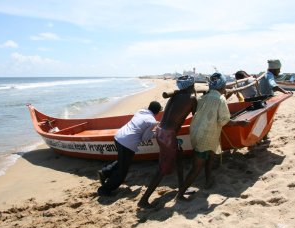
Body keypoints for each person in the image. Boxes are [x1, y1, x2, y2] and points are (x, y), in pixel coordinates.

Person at [138, 75, 198, 208]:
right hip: (168, 135)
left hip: (160, 131)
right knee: (162, 170)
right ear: (191, 86)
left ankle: (182, 188)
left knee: (179, 156)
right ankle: (143, 200)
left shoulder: (174, 96)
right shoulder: (192, 98)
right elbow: (196, 115)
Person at [176, 72, 231, 200]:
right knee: (197, 166)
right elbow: (223, 120)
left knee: (210, 156)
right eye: (225, 87)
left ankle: (208, 180)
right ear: (222, 87)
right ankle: (180, 194)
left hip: (196, 132)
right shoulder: (220, 99)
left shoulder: (203, 98)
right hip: (206, 135)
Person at [97, 101, 162, 196]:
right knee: (122, 170)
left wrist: (154, 125)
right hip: (128, 143)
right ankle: (104, 189)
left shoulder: (141, 111)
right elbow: (145, 137)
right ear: (157, 112)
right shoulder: (151, 121)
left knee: (122, 160)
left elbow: (141, 123)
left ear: (149, 108)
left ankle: (105, 172)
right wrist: (156, 132)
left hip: (119, 137)